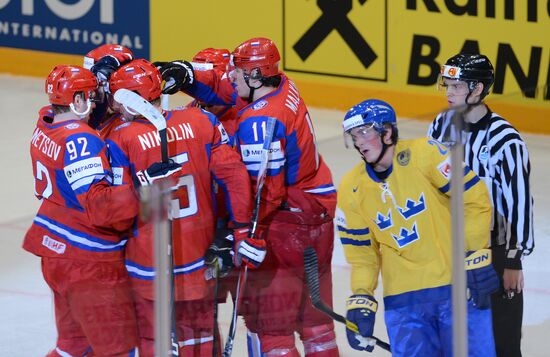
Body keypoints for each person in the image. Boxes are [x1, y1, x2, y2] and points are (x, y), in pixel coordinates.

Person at [155, 37, 340, 356]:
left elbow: (263, 192)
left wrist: (243, 234)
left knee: (270, 328)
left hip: (281, 226)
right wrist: (187, 73)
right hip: (317, 210)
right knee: (316, 323)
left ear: (254, 76)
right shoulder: (280, 84)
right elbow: (223, 85)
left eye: (235, 73)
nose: (230, 79)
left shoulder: (256, 121)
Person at [106, 58, 252, 356]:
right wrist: (240, 230)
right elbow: (236, 178)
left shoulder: (120, 139)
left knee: (153, 340)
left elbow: (118, 208)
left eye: (120, 99)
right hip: (199, 257)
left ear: (134, 100)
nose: (117, 108)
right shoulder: (203, 122)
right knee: (200, 338)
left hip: (148, 261)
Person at [337, 99, 500, 356]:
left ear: (387, 132)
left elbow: (473, 198)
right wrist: (362, 296)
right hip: (402, 304)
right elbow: (362, 256)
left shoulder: (426, 154)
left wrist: (475, 254)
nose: (358, 142)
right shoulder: (350, 188)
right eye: (353, 135)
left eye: (364, 132)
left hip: (456, 288)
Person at [23, 65, 143, 356]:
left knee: (72, 347)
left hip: (55, 250)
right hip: (87, 260)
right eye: (91, 95)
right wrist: (143, 187)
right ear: (76, 100)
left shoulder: (45, 122)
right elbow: (101, 207)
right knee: (116, 350)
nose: (97, 102)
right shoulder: (81, 139)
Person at [428, 53, 535, 357]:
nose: (448, 93)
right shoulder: (440, 126)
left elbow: (519, 203)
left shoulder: (506, 140)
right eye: (446, 85)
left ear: (477, 89)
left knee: (502, 341)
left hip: (495, 252)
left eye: (456, 86)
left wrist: (513, 261)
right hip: (449, 249)